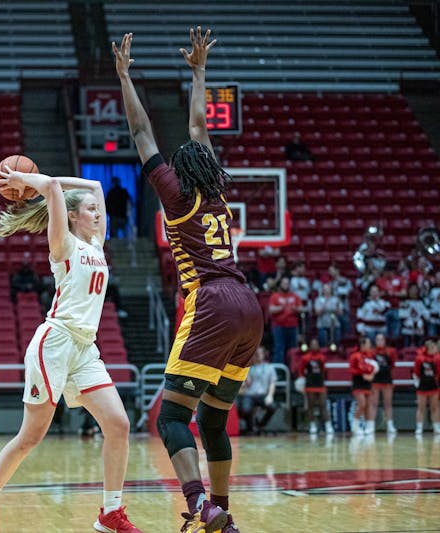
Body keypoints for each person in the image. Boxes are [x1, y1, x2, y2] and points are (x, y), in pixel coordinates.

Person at [115, 28, 264, 533]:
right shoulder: (218, 192)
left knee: (172, 419)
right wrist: (199, 72)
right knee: (215, 420)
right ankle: (222, 509)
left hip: (213, 301)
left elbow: (140, 134)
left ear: (179, 171)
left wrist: (124, 77)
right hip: (249, 303)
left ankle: (201, 504)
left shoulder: (176, 196)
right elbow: (200, 127)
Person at [0, 169, 142, 533]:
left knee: (119, 424)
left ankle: (110, 513)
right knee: (31, 436)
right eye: (91, 210)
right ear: (73, 215)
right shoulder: (63, 245)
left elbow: (95, 186)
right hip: (56, 343)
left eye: (99, 210)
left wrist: (81, 189)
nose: (98, 214)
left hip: (84, 348)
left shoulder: (97, 245)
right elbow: (50, 188)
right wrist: (18, 175)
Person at [236, 346, 277, 436]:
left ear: (264, 355)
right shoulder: (248, 368)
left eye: (260, 353)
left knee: (272, 406)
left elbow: (272, 384)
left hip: (263, 395)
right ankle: (250, 427)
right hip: (249, 395)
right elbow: (244, 384)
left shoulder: (269, 367)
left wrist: (270, 396)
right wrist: (244, 383)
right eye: (256, 354)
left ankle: (261, 425)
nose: (258, 355)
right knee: (245, 409)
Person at [298, 340, 333, 435]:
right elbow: (301, 371)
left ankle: (328, 425)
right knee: (311, 405)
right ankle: (312, 425)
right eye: (312, 344)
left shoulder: (322, 357)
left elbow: (325, 370)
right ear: (310, 346)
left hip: (320, 384)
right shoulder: (305, 358)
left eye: (316, 344)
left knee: (323, 405)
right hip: (310, 384)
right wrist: (302, 382)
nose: (314, 346)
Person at [268, 278, 305, 366]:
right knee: (279, 348)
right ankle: (280, 371)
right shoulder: (275, 296)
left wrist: (295, 309)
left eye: (287, 283)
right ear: (280, 285)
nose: (286, 285)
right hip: (278, 326)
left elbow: (302, 308)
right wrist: (282, 307)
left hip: (292, 326)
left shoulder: (295, 296)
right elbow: (271, 309)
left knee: (292, 349)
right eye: (284, 283)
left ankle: (292, 369)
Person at [349, 338, 377, 436]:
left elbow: (374, 368)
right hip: (358, 382)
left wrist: (371, 375)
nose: (370, 346)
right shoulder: (355, 356)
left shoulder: (371, 356)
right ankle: (355, 425)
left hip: (367, 383)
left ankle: (369, 426)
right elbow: (352, 370)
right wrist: (362, 374)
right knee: (362, 404)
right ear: (362, 345)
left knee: (368, 405)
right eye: (368, 344)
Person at [370, 333, 398, 434]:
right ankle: (371, 426)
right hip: (375, 381)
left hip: (387, 380)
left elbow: (393, 365)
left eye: (381, 339)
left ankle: (390, 425)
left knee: (388, 404)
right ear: (375, 341)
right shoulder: (372, 352)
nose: (380, 341)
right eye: (378, 339)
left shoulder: (391, 351)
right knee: (373, 404)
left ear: (385, 341)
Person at [413, 340, 440, 436]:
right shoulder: (419, 359)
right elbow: (416, 372)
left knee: (435, 408)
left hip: (433, 386)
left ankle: (436, 427)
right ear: (427, 349)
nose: (435, 350)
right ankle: (419, 428)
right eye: (433, 348)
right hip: (422, 386)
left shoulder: (437, 358)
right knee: (421, 408)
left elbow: (438, 372)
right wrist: (417, 383)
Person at [399, 283, 430, 347]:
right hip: (407, 331)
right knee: (406, 348)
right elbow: (401, 317)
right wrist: (411, 323)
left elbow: (426, 316)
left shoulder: (422, 302)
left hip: (419, 330)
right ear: (409, 290)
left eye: (415, 289)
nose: (414, 291)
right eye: (412, 289)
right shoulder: (404, 302)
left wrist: (420, 323)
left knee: (419, 350)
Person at [314, 283, 343, 348]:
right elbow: (317, 313)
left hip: (334, 325)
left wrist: (335, 309)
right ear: (322, 290)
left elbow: (341, 313)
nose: (327, 291)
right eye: (325, 289)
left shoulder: (336, 299)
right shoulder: (318, 300)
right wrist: (325, 303)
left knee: (336, 343)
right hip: (322, 325)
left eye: (328, 289)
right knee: (323, 344)